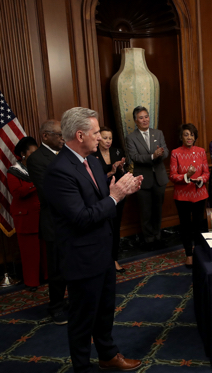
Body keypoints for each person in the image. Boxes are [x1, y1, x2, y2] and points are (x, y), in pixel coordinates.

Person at [44, 107, 143, 373]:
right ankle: (82, 367)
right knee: (82, 318)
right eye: (96, 132)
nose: (100, 137)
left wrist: (124, 190)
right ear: (80, 135)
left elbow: (104, 200)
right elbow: (81, 217)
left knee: (105, 311)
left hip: (103, 251)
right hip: (81, 257)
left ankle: (108, 355)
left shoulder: (95, 162)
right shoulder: (59, 171)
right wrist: (115, 197)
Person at [27, 119, 68, 325]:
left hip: (72, 220)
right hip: (54, 222)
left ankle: (70, 301)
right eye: (59, 135)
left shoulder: (67, 153)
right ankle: (56, 307)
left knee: (72, 265)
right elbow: (47, 193)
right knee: (57, 270)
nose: (63, 138)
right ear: (45, 136)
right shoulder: (36, 159)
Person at [7, 137, 47, 291]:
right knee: (30, 253)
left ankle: (46, 276)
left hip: (42, 215)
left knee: (45, 250)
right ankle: (31, 282)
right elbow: (18, 192)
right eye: (32, 153)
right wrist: (36, 183)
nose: (36, 156)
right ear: (23, 154)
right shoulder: (14, 171)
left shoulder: (39, 167)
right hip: (25, 217)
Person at [126, 106, 169, 244]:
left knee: (158, 210)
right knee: (146, 212)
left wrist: (161, 154)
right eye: (141, 117)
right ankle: (149, 239)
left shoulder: (158, 133)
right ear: (135, 120)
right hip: (143, 179)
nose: (145, 120)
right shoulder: (131, 137)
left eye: (146, 116)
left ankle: (157, 236)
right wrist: (152, 156)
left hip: (159, 179)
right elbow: (134, 157)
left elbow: (166, 151)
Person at [169, 123, 210, 266]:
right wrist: (187, 175)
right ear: (181, 137)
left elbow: (206, 173)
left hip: (200, 193)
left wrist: (201, 179)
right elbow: (173, 176)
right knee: (186, 226)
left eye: (191, 135)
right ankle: (189, 254)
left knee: (199, 225)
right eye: (186, 134)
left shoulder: (201, 151)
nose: (189, 137)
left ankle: (198, 252)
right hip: (182, 195)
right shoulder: (175, 152)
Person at [94, 127, 126, 272]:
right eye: (105, 138)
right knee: (102, 229)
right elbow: (93, 179)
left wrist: (121, 168)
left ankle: (114, 259)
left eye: (110, 138)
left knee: (115, 227)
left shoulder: (117, 152)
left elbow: (122, 174)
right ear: (99, 138)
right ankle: (102, 260)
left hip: (117, 195)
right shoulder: (92, 154)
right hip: (101, 196)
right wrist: (111, 172)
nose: (108, 141)